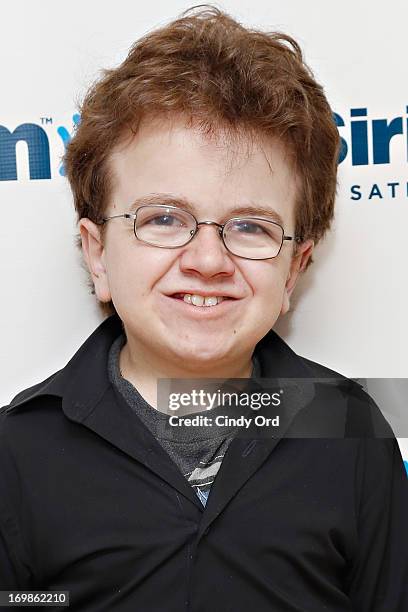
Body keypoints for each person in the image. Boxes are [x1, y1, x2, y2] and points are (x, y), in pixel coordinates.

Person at [0, 5, 406, 611]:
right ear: (98, 255)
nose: (209, 260)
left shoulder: (352, 434)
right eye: (163, 219)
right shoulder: (16, 452)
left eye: (251, 226)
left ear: (293, 269)